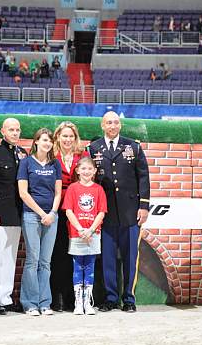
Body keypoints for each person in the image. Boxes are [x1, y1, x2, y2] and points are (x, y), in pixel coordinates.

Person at [88, 111, 150, 312]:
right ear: (102, 125)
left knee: (130, 258)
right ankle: (111, 298)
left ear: (120, 125)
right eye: (108, 123)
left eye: (115, 122)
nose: (112, 126)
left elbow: (143, 177)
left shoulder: (133, 146)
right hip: (105, 213)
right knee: (107, 259)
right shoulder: (93, 148)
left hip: (130, 212)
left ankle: (129, 300)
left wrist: (144, 206)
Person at [0, 118, 27, 315]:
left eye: (18, 130)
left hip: (15, 212)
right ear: (2, 131)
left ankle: (5, 297)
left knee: (9, 258)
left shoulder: (22, 154)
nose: (15, 133)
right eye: (11, 130)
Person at [17, 128, 62, 316]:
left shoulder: (55, 164)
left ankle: (45, 303)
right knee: (32, 260)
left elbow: (58, 192)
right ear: (36, 142)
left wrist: (52, 213)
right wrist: (41, 213)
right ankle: (30, 303)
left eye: (50, 140)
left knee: (45, 262)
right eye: (44, 140)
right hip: (31, 216)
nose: (47, 143)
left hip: (51, 217)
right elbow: (23, 193)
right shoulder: (26, 163)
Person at [50, 121, 87, 312]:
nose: (68, 139)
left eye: (71, 136)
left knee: (74, 255)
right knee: (57, 254)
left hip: (77, 212)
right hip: (56, 209)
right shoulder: (51, 155)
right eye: (64, 136)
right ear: (58, 137)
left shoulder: (83, 155)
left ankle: (73, 298)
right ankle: (56, 298)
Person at [63, 157, 107, 315]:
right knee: (77, 267)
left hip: (93, 234)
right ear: (77, 170)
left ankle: (87, 302)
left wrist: (90, 230)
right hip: (76, 234)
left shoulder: (98, 189)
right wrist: (81, 229)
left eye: (90, 169)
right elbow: (68, 211)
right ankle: (78, 302)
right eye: (83, 168)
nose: (86, 171)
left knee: (89, 267)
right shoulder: (72, 189)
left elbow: (101, 212)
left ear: (94, 171)